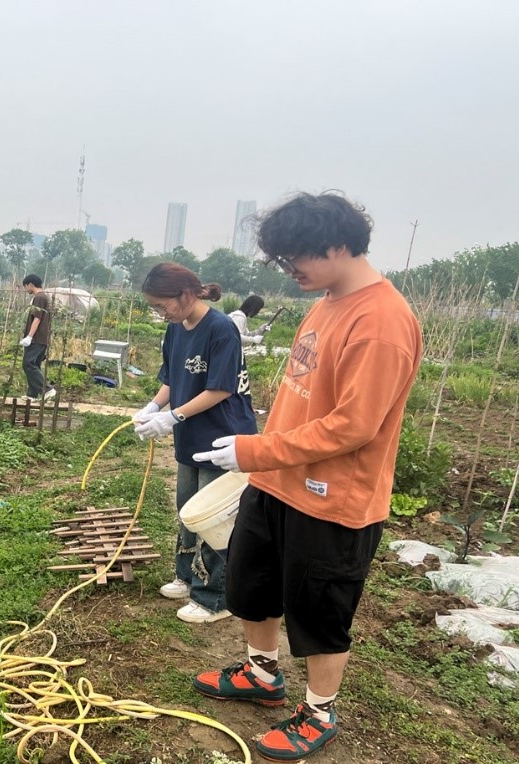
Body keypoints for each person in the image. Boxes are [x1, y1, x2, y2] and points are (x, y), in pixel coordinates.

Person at [191, 192, 422, 761]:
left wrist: (254, 450)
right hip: (277, 481)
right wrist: (263, 457)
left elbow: (354, 426)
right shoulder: (326, 301)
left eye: (297, 257)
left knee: (318, 610)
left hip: (333, 497)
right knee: (254, 584)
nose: (289, 269)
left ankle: (319, 710)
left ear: (338, 244)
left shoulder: (382, 322)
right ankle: (262, 672)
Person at [132, 262, 257, 624]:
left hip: (222, 435)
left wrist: (172, 417)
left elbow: (220, 388)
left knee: (213, 516)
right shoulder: (176, 329)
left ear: (186, 295)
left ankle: (214, 597)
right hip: (190, 433)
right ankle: (186, 577)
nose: (160, 313)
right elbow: (172, 378)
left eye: (162, 305)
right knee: (187, 508)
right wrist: (155, 406)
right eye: (154, 307)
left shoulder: (221, 329)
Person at [18, 274, 56, 402]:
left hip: (37, 338)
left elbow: (37, 318)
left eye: (26, 286)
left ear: (31, 284)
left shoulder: (39, 298)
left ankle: (47, 389)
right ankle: (32, 394)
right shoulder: (45, 297)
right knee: (35, 365)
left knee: (28, 364)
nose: (26, 289)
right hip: (42, 337)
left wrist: (29, 336)